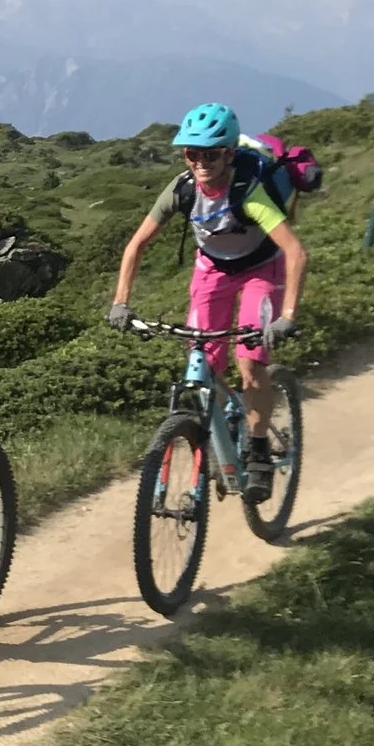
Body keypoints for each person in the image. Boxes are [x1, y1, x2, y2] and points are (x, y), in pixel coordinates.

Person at [106, 102, 309, 501]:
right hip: (212, 269)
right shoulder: (181, 189)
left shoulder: (248, 193)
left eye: (211, 154)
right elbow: (136, 245)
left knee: (250, 362)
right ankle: (224, 425)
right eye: (192, 153)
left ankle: (258, 449)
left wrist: (287, 316)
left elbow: (295, 252)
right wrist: (120, 302)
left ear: (229, 154)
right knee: (202, 363)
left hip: (261, 269)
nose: (201, 162)